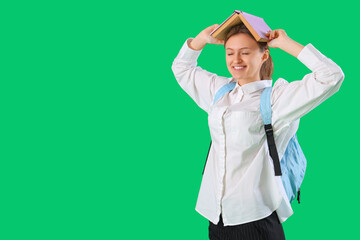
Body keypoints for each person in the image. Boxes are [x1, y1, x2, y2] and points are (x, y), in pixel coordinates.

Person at [171, 23, 345, 240]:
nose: (236, 60)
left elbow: (331, 76)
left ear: (264, 56)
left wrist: (286, 43)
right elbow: (182, 68)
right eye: (230, 53)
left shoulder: (277, 100)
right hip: (216, 217)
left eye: (245, 53)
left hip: (255, 220)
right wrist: (200, 40)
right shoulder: (220, 92)